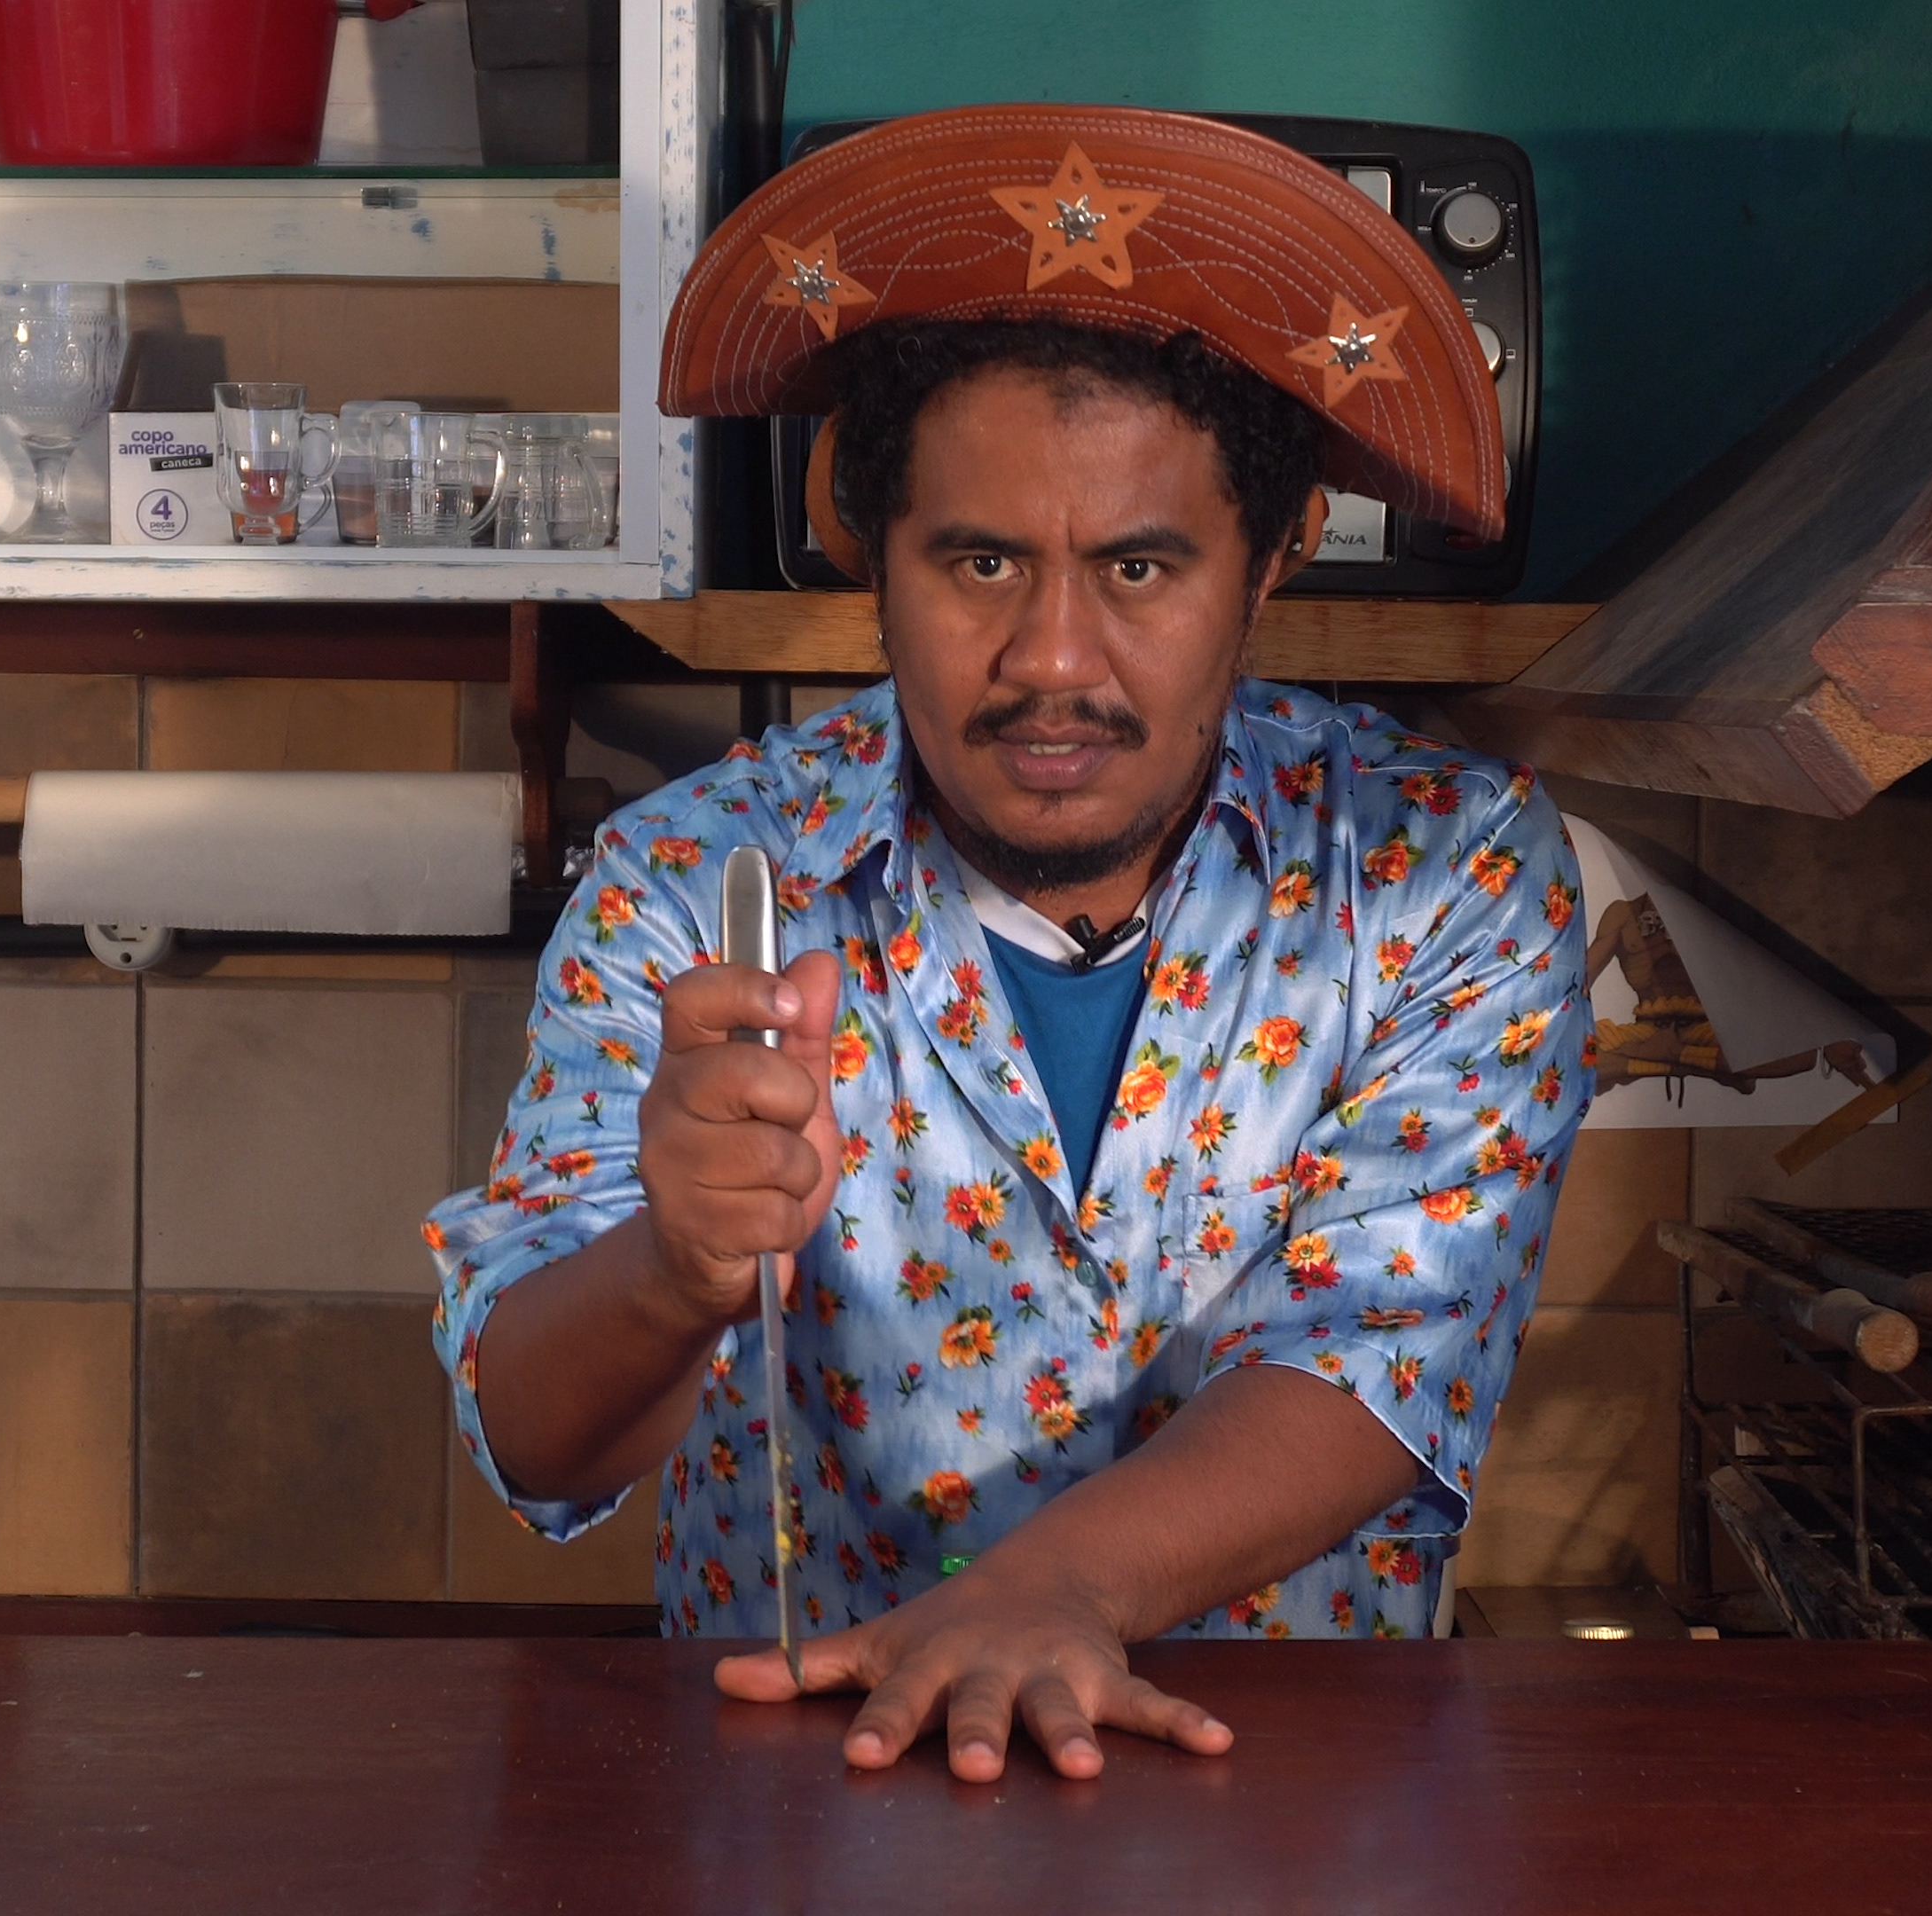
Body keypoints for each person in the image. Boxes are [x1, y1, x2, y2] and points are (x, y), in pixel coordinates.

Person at [424, 105, 1591, 1784]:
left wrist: (1050, 1595)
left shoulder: (1443, 873)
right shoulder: (692, 878)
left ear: (1272, 563)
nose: (1052, 657)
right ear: (871, 560)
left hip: (1284, 1808)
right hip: (818, 1794)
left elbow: (1380, 1357)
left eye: (1140, 567)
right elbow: (538, 1440)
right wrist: (671, 1272)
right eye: (980, 561)